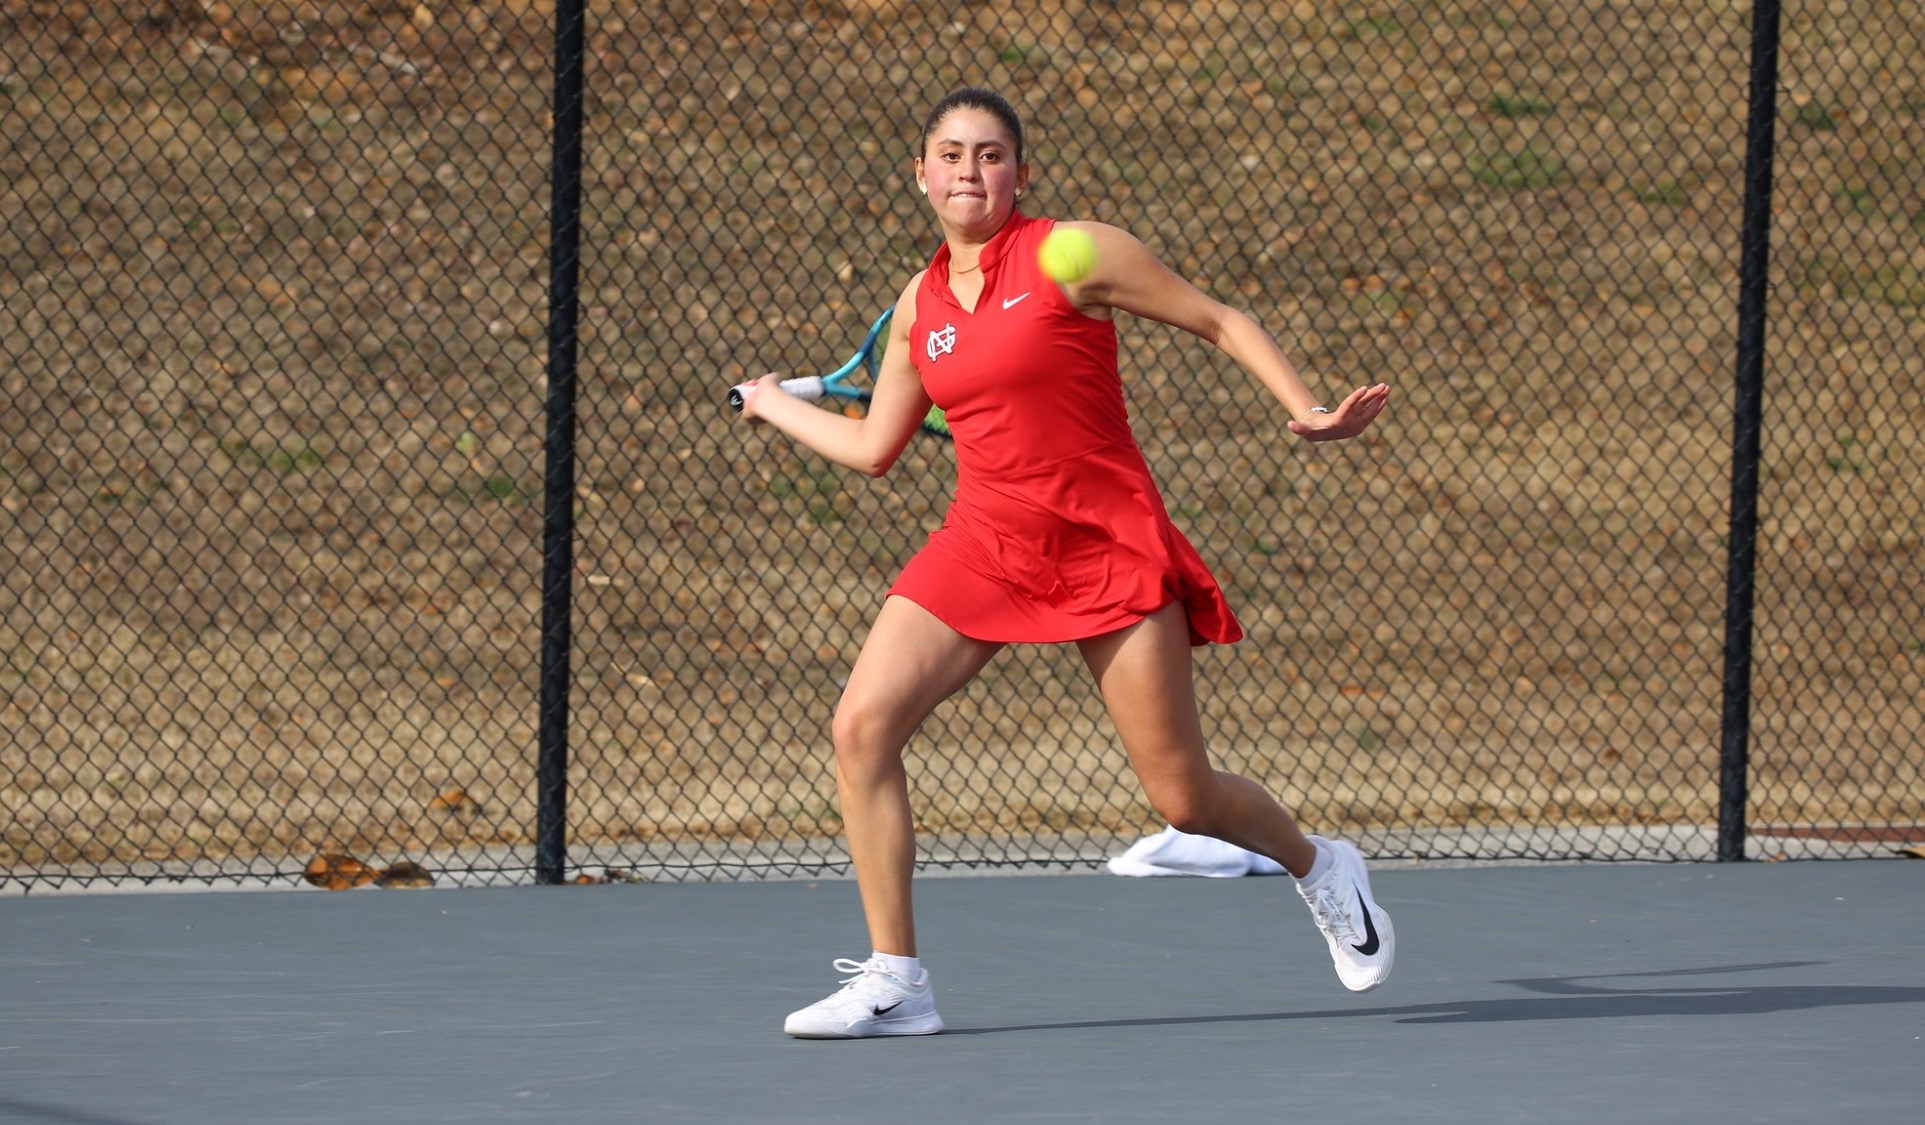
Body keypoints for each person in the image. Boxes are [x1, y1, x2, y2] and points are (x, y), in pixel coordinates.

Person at [735, 87, 1394, 1039]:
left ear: (1019, 174)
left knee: (1185, 796)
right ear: (919, 175)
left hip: (1101, 542)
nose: (969, 171)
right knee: (861, 727)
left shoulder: (1068, 253)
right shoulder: (920, 305)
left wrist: (1306, 406)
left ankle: (1319, 865)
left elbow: (1219, 320)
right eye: (951, 154)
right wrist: (772, 404)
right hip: (985, 541)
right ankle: (895, 980)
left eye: (990, 154)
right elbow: (878, 444)